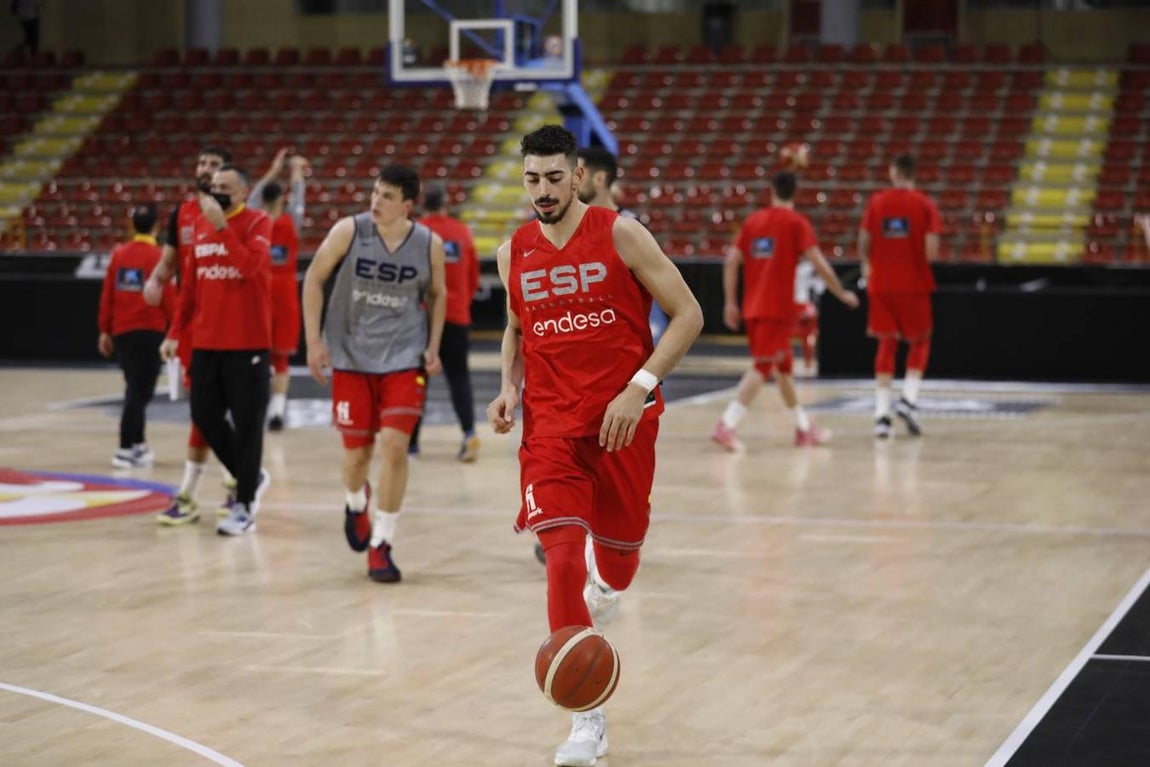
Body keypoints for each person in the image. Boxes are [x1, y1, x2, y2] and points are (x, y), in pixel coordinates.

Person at [487, 124, 703, 767]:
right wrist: (508, 388)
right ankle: (587, 720)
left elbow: (689, 314)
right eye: (533, 178)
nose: (543, 190)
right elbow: (516, 328)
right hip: (551, 431)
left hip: (623, 426)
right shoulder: (512, 251)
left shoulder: (621, 233)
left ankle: (604, 590)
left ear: (578, 176)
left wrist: (638, 387)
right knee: (559, 561)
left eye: (555, 177)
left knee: (619, 566)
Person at [302, 165, 446, 584]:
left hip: (403, 356)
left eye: (386, 196)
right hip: (351, 356)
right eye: (374, 192)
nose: (375, 201)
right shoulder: (349, 231)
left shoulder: (429, 244)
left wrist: (433, 345)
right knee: (356, 458)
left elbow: (439, 294)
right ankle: (354, 501)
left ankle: (382, 543)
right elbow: (313, 279)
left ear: (407, 205)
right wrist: (313, 341)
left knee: (396, 448)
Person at [711, 171, 859, 452]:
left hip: (753, 308)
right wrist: (841, 293)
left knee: (784, 369)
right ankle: (727, 424)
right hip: (776, 309)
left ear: (771, 191)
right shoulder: (796, 223)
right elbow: (819, 262)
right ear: (795, 192)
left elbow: (731, 261)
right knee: (763, 366)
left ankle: (803, 428)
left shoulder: (753, 221)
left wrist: (730, 302)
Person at [163, 165, 273, 536]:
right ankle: (249, 475)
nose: (217, 191)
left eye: (225, 186)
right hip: (206, 343)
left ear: (243, 192)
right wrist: (175, 332)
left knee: (248, 427)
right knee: (203, 414)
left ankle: (244, 506)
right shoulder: (199, 227)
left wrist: (224, 229)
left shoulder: (258, 222)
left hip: (247, 343)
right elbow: (189, 289)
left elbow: (250, 268)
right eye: (213, 186)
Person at [145, 146, 238, 526]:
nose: (206, 169)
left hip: (232, 327)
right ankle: (222, 486)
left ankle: (230, 484)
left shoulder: (242, 217)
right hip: (195, 326)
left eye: (214, 165)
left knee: (218, 410)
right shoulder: (182, 214)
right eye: (202, 163)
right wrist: (156, 280)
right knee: (204, 410)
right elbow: (170, 263)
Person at [857, 154, 941, 439]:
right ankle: (908, 398)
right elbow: (931, 251)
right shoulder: (925, 205)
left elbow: (864, 240)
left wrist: (867, 265)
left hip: (881, 283)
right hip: (913, 283)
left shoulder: (877, 202)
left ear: (893, 172)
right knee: (921, 340)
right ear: (913, 173)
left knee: (886, 343)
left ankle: (882, 416)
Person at [97, 203, 174, 468]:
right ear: (156, 227)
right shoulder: (159, 257)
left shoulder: (119, 255)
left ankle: (139, 444)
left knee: (134, 387)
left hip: (122, 332)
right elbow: (169, 296)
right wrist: (177, 327)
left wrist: (105, 330)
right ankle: (124, 448)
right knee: (140, 391)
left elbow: (108, 294)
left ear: (132, 226)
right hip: (149, 331)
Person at [408, 184, 480, 461]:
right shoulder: (462, 232)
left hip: (421, 319)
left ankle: (411, 444)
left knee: (417, 379)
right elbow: (472, 277)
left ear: (422, 204)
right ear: (446, 204)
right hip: (457, 316)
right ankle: (469, 433)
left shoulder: (416, 232)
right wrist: (460, 303)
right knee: (459, 377)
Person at [247, 148, 310, 431]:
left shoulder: (254, 221)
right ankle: (277, 409)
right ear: (281, 200)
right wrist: (296, 171)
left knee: (255, 354)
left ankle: (255, 405)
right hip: (285, 295)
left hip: (258, 294)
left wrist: (274, 169)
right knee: (281, 358)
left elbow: (251, 197)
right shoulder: (291, 222)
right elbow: (299, 199)